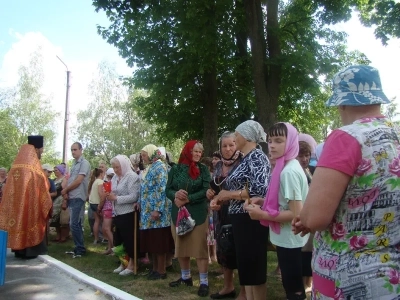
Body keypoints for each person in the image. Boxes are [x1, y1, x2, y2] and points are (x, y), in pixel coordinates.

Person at [293, 65, 400, 299]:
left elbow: (315, 217)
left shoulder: (346, 138)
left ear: (341, 102)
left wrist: (306, 218)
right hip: (392, 278)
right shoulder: (396, 136)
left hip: (346, 277)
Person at [246, 122, 309, 300]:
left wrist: (262, 215)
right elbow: (285, 201)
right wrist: (264, 202)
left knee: (293, 288)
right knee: (291, 284)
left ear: (290, 143)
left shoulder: (288, 172)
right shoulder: (286, 166)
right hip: (288, 239)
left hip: (290, 240)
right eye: (270, 140)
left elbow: (297, 214)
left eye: (279, 141)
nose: (272, 145)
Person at [212, 121, 270, 300]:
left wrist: (228, 194)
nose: (235, 138)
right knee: (247, 269)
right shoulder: (247, 158)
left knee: (254, 269)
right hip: (240, 218)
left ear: (247, 136)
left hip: (250, 218)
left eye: (237, 134)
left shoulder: (257, 157)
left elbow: (259, 190)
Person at [166, 140, 211, 297]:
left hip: (197, 213)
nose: (198, 154)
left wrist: (188, 198)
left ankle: (204, 282)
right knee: (182, 246)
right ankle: (186, 277)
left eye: (200, 152)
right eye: (195, 151)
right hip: (178, 213)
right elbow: (168, 189)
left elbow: (206, 189)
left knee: (199, 249)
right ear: (188, 151)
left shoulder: (203, 169)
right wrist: (175, 195)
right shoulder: (176, 169)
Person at [207, 131, 246, 300]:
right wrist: (211, 194)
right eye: (224, 145)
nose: (228, 148)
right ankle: (228, 287)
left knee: (240, 250)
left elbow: (249, 190)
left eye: (231, 144)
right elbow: (215, 188)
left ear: (237, 145)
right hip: (220, 213)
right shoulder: (217, 166)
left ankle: (244, 291)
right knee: (223, 249)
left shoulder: (244, 163)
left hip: (240, 211)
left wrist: (226, 196)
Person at [0, 135, 52, 258]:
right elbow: (43, 184)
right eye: (41, 150)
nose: (42, 153)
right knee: (29, 219)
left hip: (16, 204)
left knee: (19, 219)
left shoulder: (17, 164)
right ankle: (30, 251)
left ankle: (19, 250)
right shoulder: (34, 167)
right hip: (30, 204)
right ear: (38, 149)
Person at [139, 144, 174, 280]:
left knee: (159, 242)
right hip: (147, 211)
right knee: (151, 242)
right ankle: (154, 269)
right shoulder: (150, 167)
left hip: (157, 212)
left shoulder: (160, 167)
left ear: (152, 153)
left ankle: (161, 270)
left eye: (144, 155)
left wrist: (157, 210)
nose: (143, 158)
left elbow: (161, 189)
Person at [108, 155, 140, 275]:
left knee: (129, 240)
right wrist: (109, 195)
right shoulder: (115, 177)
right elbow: (113, 190)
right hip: (117, 212)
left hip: (128, 212)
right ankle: (123, 263)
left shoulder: (131, 177)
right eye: (114, 167)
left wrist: (116, 198)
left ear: (124, 165)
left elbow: (134, 196)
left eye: (117, 167)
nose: (116, 170)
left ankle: (132, 264)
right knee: (119, 240)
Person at [61, 142, 91, 258]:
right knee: (74, 224)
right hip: (71, 196)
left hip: (78, 196)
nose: (73, 152)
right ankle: (78, 246)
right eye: (71, 150)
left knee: (75, 223)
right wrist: (66, 191)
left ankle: (80, 248)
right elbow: (67, 178)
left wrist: (66, 190)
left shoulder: (84, 163)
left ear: (80, 150)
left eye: (75, 150)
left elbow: (78, 181)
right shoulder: (73, 164)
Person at [296, 141, 314, 293]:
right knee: (303, 252)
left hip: (311, 214)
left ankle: (308, 282)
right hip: (301, 214)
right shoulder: (296, 172)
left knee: (309, 251)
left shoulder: (309, 171)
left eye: (307, 155)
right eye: (300, 155)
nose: (304, 159)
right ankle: (303, 283)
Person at [49, 164, 69, 243]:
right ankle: (58, 236)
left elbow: (65, 191)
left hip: (60, 200)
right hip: (54, 202)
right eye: (53, 171)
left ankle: (63, 237)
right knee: (55, 220)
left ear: (60, 171)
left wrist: (65, 201)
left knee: (62, 220)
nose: (54, 172)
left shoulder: (64, 179)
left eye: (56, 170)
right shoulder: (54, 180)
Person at [99, 168, 115, 255]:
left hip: (108, 208)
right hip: (112, 208)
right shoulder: (115, 183)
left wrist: (99, 207)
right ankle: (110, 248)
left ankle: (114, 248)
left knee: (106, 229)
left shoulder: (107, 184)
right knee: (109, 229)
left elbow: (103, 197)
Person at [88, 167, 105, 244]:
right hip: (98, 203)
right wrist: (101, 204)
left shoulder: (94, 182)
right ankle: (104, 238)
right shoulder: (100, 182)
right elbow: (101, 193)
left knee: (97, 221)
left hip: (92, 203)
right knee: (104, 221)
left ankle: (96, 239)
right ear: (101, 174)